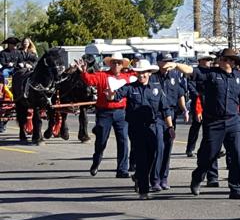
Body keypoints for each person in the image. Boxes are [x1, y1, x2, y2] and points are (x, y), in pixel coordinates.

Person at [188, 48, 240, 199]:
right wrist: (175, 65)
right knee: (209, 155)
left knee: (237, 153)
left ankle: (235, 188)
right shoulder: (210, 74)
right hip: (213, 122)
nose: (226, 62)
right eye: (224, 59)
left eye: (229, 60)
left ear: (233, 63)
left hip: (233, 121)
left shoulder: (239, 78)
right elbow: (190, 71)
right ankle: (198, 176)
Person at [109, 63, 173, 199]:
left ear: (149, 73)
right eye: (139, 73)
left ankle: (138, 176)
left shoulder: (156, 88)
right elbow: (115, 96)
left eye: (144, 72)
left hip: (153, 127)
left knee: (154, 155)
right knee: (142, 158)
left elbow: (165, 109)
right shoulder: (130, 88)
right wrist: (110, 95)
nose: (141, 75)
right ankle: (144, 190)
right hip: (136, 129)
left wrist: (170, 127)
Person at [77, 52, 135, 178]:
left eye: (119, 63)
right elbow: (89, 80)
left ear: (122, 65)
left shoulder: (127, 77)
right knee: (101, 141)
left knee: (123, 140)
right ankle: (96, 160)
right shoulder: (102, 75)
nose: (116, 65)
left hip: (121, 112)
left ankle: (122, 169)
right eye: (114, 62)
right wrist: (83, 72)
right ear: (110, 64)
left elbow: (141, 76)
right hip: (104, 112)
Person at [151, 53, 188, 191]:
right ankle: (154, 179)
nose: (168, 63)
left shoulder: (174, 76)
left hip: (171, 114)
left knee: (168, 147)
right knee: (158, 147)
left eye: (170, 61)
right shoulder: (152, 76)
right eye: (165, 61)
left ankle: (164, 177)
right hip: (157, 116)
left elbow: (180, 94)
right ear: (158, 62)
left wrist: (184, 109)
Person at [185, 54, 214, 157]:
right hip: (199, 101)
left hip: (210, 102)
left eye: (209, 60)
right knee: (196, 126)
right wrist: (197, 95)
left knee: (210, 127)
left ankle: (209, 148)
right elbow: (190, 85)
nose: (208, 61)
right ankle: (190, 148)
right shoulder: (195, 71)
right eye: (206, 59)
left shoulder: (212, 71)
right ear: (200, 61)